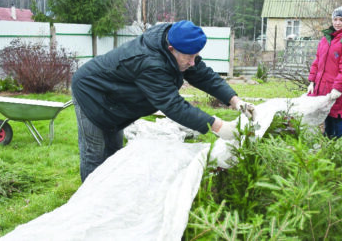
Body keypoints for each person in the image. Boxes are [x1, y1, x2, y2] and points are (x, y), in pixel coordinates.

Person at [71, 20, 255, 182]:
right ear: (171, 49)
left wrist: (235, 100)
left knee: (114, 150)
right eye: (189, 57)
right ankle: (88, 204)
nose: (193, 62)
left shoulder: (177, 45)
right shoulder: (150, 62)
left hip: (116, 98)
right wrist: (218, 126)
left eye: (196, 56)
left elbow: (203, 75)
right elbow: (173, 106)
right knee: (94, 152)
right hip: (91, 92)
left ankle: (109, 195)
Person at [307, 6, 342, 139]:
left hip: (338, 89)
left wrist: (338, 88)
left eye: (341, 20)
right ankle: (327, 146)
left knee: (337, 117)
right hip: (323, 87)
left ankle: (338, 149)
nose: (337, 23)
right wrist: (312, 81)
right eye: (335, 19)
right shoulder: (327, 38)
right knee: (327, 116)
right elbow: (317, 61)